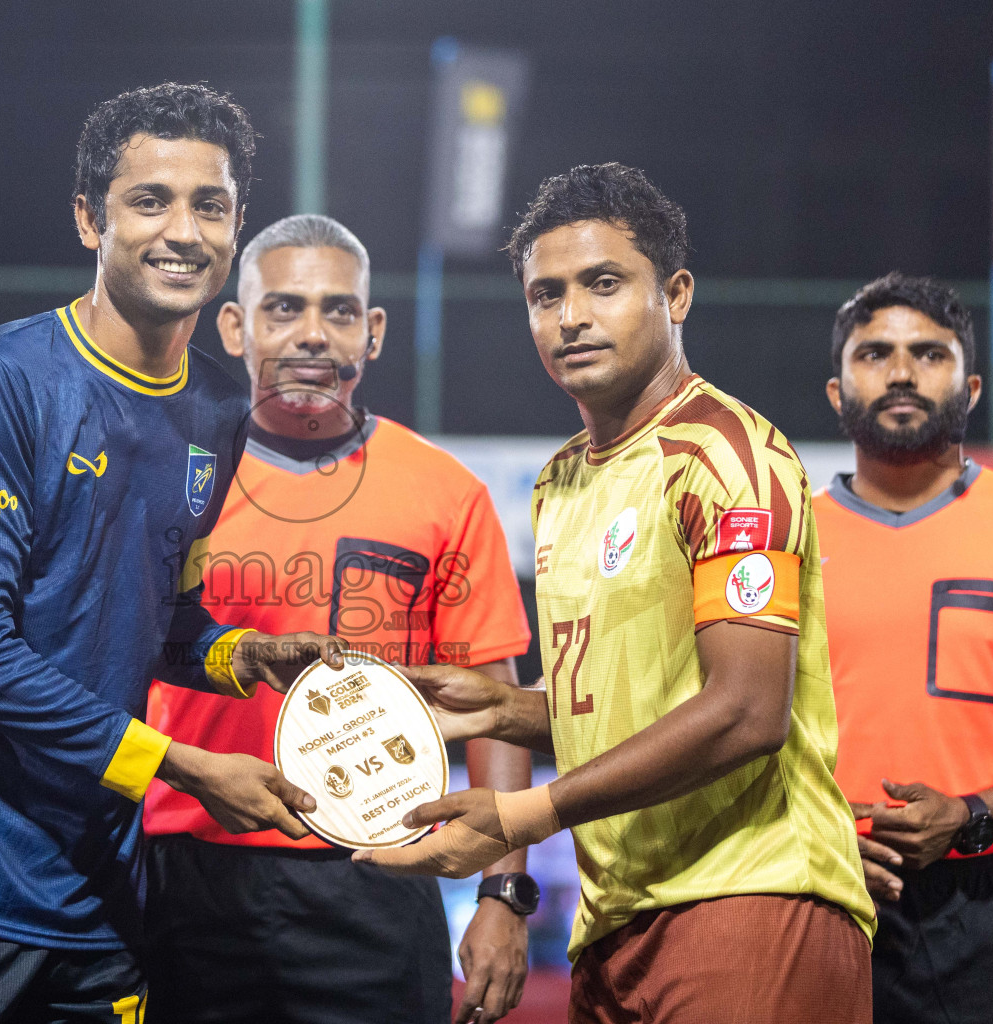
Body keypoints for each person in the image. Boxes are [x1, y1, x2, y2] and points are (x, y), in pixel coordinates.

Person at [0, 83, 345, 1024]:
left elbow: (158, 617)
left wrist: (245, 658)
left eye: (210, 205)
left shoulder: (216, 415)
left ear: (237, 228)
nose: (182, 231)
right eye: (148, 201)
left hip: (97, 901)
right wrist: (185, 767)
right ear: (89, 220)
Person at [356, 163, 877, 1022]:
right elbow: (635, 706)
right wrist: (499, 709)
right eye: (545, 294)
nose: (571, 316)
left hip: (752, 898)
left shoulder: (727, 455)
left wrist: (525, 812)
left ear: (675, 293)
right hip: (617, 922)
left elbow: (748, 710)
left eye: (603, 284)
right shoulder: (563, 479)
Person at [142, 214, 535, 1024]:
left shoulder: (444, 491)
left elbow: (494, 701)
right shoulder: (164, 477)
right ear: (233, 324)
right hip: (184, 873)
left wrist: (504, 890)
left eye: (339, 310)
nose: (313, 334)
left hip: (381, 878)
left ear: (374, 331)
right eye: (283, 308)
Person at [816, 273, 993, 1023]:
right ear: (837, 393)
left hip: (981, 897)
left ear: (968, 389)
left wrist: (971, 814)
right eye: (875, 353)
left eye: (927, 354)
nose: (901, 371)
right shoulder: (787, 546)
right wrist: (810, 838)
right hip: (815, 885)